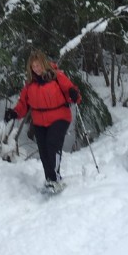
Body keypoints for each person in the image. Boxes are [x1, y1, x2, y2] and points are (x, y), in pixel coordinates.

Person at [4, 50, 81, 191]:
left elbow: (71, 89)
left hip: (60, 116)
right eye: (33, 66)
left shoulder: (57, 76)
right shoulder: (30, 85)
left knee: (52, 145)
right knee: (44, 151)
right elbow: (23, 104)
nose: (36, 69)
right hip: (39, 121)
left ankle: (55, 179)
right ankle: (50, 180)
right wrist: (14, 113)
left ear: (44, 64)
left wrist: (73, 94)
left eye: (38, 65)